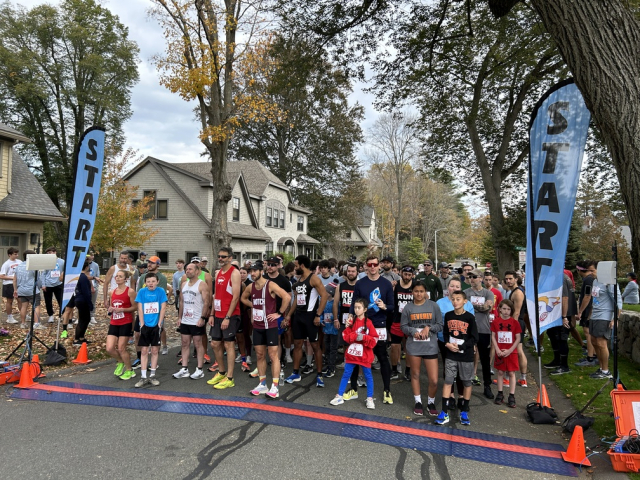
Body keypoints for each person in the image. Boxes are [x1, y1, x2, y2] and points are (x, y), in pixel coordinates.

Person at [349, 255, 395, 404]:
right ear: (366, 266)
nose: (373, 267)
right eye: (370, 264)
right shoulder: (360, 283)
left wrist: (385, 307)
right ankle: (354, 389)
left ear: (379, 266)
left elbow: (392, 307)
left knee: (382, 357)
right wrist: (351, 317)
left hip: (379, 324)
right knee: (357, 357)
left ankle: (387, 390)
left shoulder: (386, 284)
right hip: (362, 324)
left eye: (375, 264)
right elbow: (353, 303)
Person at [241, 262, 291, 398]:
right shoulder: (250, 287)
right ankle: (262, 384)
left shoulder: (270, 285)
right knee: (259, 355)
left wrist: (279, 313)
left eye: (255, 271)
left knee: (273, 355)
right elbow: (243, 298)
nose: (252, 273)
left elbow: (287, 297)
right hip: (257, 326)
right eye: (250, 271)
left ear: (261, 272)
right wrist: (253, 305)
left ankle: (275, 386)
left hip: (270, 326)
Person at [284, 254, 330, 387]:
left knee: (315, 345)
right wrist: (289, 315)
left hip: (310, 317)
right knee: (298, 344)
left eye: (296, 265)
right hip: (298, 316)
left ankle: (319, 375)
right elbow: (296, 301)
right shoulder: (297, 282)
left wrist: (318, 315)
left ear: (302, 265)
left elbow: (324, 296)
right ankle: (295, 372)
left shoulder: (313, 279)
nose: (294, 268)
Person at [435, 290, 478, 426]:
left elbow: (474, 337)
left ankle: (464, 411)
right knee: (448, 381)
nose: (455, 302)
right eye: (453, 299)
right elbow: (445, 333)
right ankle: (444, 411)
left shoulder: (470, 317)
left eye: (458, 299)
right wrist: (447, 343)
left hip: (465, 355)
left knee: (466, 382)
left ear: (465, 301)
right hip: (451, 354)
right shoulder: (448, 315)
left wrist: (462, 347)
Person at [401, 282, 442, 416]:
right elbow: (404, 326)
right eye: (416, 291)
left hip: (430, 347)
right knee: (415, 374)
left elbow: (440, 324)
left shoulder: (433, 306)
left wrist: (428, 328)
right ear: (412, 292)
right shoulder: (408, 308)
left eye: (421, 291)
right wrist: (413, 331)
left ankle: (431, 402)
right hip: (414, 346)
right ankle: (418, 401)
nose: (419, 294)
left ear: (426, 292)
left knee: (434, 380)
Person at [330, 298, 378, 409]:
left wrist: (364, 337)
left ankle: (370, 398)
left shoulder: (369, 323)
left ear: (365, 309)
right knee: (346, 374)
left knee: (368, 376)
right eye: (355, 307)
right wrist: (353, 333)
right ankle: (339, 395)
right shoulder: (351, 321)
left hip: (364, 355)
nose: (356, 310)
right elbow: (345, 337)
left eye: (359, 308)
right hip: (352, 354)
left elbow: (375, 339)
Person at [207, 247, 242, 389]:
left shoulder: (235, 273)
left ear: (230, 258)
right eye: (219, 256)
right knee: (215, 344)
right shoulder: (218, 272)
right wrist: (212, 314)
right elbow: (216, 296)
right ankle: (221, 372)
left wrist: (228, 317)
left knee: (228, 344)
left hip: (231, 315)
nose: (220, 259)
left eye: (223, 257)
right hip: (218, 314)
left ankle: (230, 377)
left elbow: (235, 297)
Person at [174, 262, 211, 379]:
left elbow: (207, 302)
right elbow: (181, 302)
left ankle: (199, 369)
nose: (188, 271)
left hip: (197, 319)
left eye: (190, 269)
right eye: (186, 269)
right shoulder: (183, 284)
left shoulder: (202, 284)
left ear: (196, 271)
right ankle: (184, 368)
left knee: (198, 344)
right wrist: (179, 317)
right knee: (184, 343)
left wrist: (203, 318)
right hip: (185, 319)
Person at [587, 263, 622, 379]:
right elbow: (595, 299)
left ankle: (606, 371)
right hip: (595, 316)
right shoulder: (595, 282)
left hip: (605, 316)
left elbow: (618, 301)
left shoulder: (610, 283)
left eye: (592, 271)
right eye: (589, 271)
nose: (590, 273)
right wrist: (590, 314)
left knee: (601, 343)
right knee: (593, 341)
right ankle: (601, 368)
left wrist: (615, 318)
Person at [464, 268, 495, 399]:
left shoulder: (488, 293)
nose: (472, 279)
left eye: (475, 277)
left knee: (484, 358)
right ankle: (464, 386)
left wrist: (471, 306)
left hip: (483, 329)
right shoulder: (465, 292)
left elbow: (487, 308)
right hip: (468, 329)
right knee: (466, 357)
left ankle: (487, 385)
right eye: (470, 277)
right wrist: (477, 307)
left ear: (481, 278)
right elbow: (462, 307)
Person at [135, 272, 167, 387]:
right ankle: (143, 377)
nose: (151, 283)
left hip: (156, 325)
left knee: (154, 350)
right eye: (148, 281)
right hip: (145, 325)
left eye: (153, 281)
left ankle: (152, 376)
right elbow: (140, 308)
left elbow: (163, 307)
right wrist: (142, 324)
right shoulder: (142, 292)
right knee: (144, 351)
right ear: (145, 283)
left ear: (157, 282)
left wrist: (160, 323)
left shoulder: (161, 291)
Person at [105, 269, 137, 380]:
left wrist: (122, 309)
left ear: (126, 279)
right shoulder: (112, 292)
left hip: (125, 322)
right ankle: (120, 361)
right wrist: (110, 309)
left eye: (120, 276)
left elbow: (135, 307)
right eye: (116, 276)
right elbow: (111, 306)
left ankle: (130, 370)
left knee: (121, 348)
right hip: (114, 322)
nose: (117, 278)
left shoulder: (130, 291)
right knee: (109, 348)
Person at [137, 256, 171, 356]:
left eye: (152, 263)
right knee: (138, 333)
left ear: (158, 265)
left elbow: (159, 295)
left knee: (159, 329)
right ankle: (141, 357)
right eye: (148, 262)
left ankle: (156, 354)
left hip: (156, 310)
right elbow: (139, 291)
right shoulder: (143, 276)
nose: (149, 264)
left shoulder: (162, 278)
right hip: (143, 309)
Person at [491, 299, 521, 408]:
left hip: (511, 352)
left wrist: (510, 350)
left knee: (511, 373)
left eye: (508, 309)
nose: (506, 311)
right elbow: (493, 336)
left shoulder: (515, 323)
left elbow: (518, 338)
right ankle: (500, 393)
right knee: (500, 372)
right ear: (499, 309)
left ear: (511, 310)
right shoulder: (496, 322)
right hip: (500, 351)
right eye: (504, 308)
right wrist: (497, 349)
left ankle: (511, 395)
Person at [504, 270, 529, 387]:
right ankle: (521, 378)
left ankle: (512, 378)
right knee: (517, 350)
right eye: (506, 279)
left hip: (516, 323)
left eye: (510, 279)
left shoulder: (518, 292)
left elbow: (517, 312)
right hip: (517, 323)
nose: (508, 281)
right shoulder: (514, 291)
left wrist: (510, 327)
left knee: (516, 351)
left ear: (516, 279)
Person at [333, 262, 358, 373]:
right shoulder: (341, 285)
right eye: (349, 271)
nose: (351, 273)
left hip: (357, 319)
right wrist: (335, 319)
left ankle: (355, 362)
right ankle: (346, 360)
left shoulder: (360, 285)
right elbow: (335, 303)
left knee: (356, 341)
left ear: (357, 272)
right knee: (345, 342)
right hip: (343, 318)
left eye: (353, 271)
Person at [391, 265, 415, 380]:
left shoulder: (415, 285)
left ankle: (408, 371)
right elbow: (390, 298)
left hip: (411, 321)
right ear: (401, 273)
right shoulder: (396, 285)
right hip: (397, 319)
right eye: (405, 274)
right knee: (395, 345)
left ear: (412, 275)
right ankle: (394, 369)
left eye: (409, 275)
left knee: (410, 347)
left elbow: (425, 298)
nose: (407, 277)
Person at [575, 261, 598, 368]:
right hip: (590, 308)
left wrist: (580, 311)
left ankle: (590, 357)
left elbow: (587, 296)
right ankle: (593, 353)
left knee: (587, 332)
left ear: (579, 270)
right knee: (589, 332)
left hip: (588, 308)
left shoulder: (588, 280)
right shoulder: (589, 279)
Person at [12, 250, 43, 329]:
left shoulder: (18, 266)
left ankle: (23, 323)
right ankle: (36, 324)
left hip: (21, 290)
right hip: (32, 290)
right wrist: (40, 287)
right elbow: (38, 280)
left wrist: (15, 290)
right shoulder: (33, 267)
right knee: (36, 306)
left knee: (24, 306)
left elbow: (15, 279)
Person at [72, 262, 94, 347]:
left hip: (79, 299)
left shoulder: (78, 276)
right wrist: (90, 303)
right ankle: (77, 339)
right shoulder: (83, 277)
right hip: (82, 300)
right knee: (82, 320)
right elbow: (86, 291)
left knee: (86, 319)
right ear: (86, 267)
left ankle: (81, 337)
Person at [42, 246, 64, 324]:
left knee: (60, 300)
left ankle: (63, 315)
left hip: (59, 283)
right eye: (47, 253)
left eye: (50, 252)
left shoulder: (62, 261)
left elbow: (64, 271)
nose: (49, 254)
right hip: (48, 284)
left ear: (55, 252)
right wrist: (43, 284)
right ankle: (50, 315)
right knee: (48, 301)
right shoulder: (46, 262)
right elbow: (43, 273)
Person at [1, 247, 21, 324]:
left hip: (18, 284)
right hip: (9, 284)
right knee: (10, 300)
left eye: (17, 254)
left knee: (20, 300)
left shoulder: (19, 262)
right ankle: (9, 317)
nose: (17, 255)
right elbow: (2, 276)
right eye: (15, 254)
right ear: (9, 255)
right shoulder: (6, 264)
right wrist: (12, 277)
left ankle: (24, 314)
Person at [85, 254, 102, 325]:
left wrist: (96, 285)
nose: (91, 257)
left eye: (92, 255)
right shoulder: (82, 264)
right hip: (84, 286)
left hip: (93, 285)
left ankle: (92, 316)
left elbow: (97, 275)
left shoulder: (95, 265)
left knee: (93, 302)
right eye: (89, 255)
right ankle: (80, 317)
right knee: (83, 302)